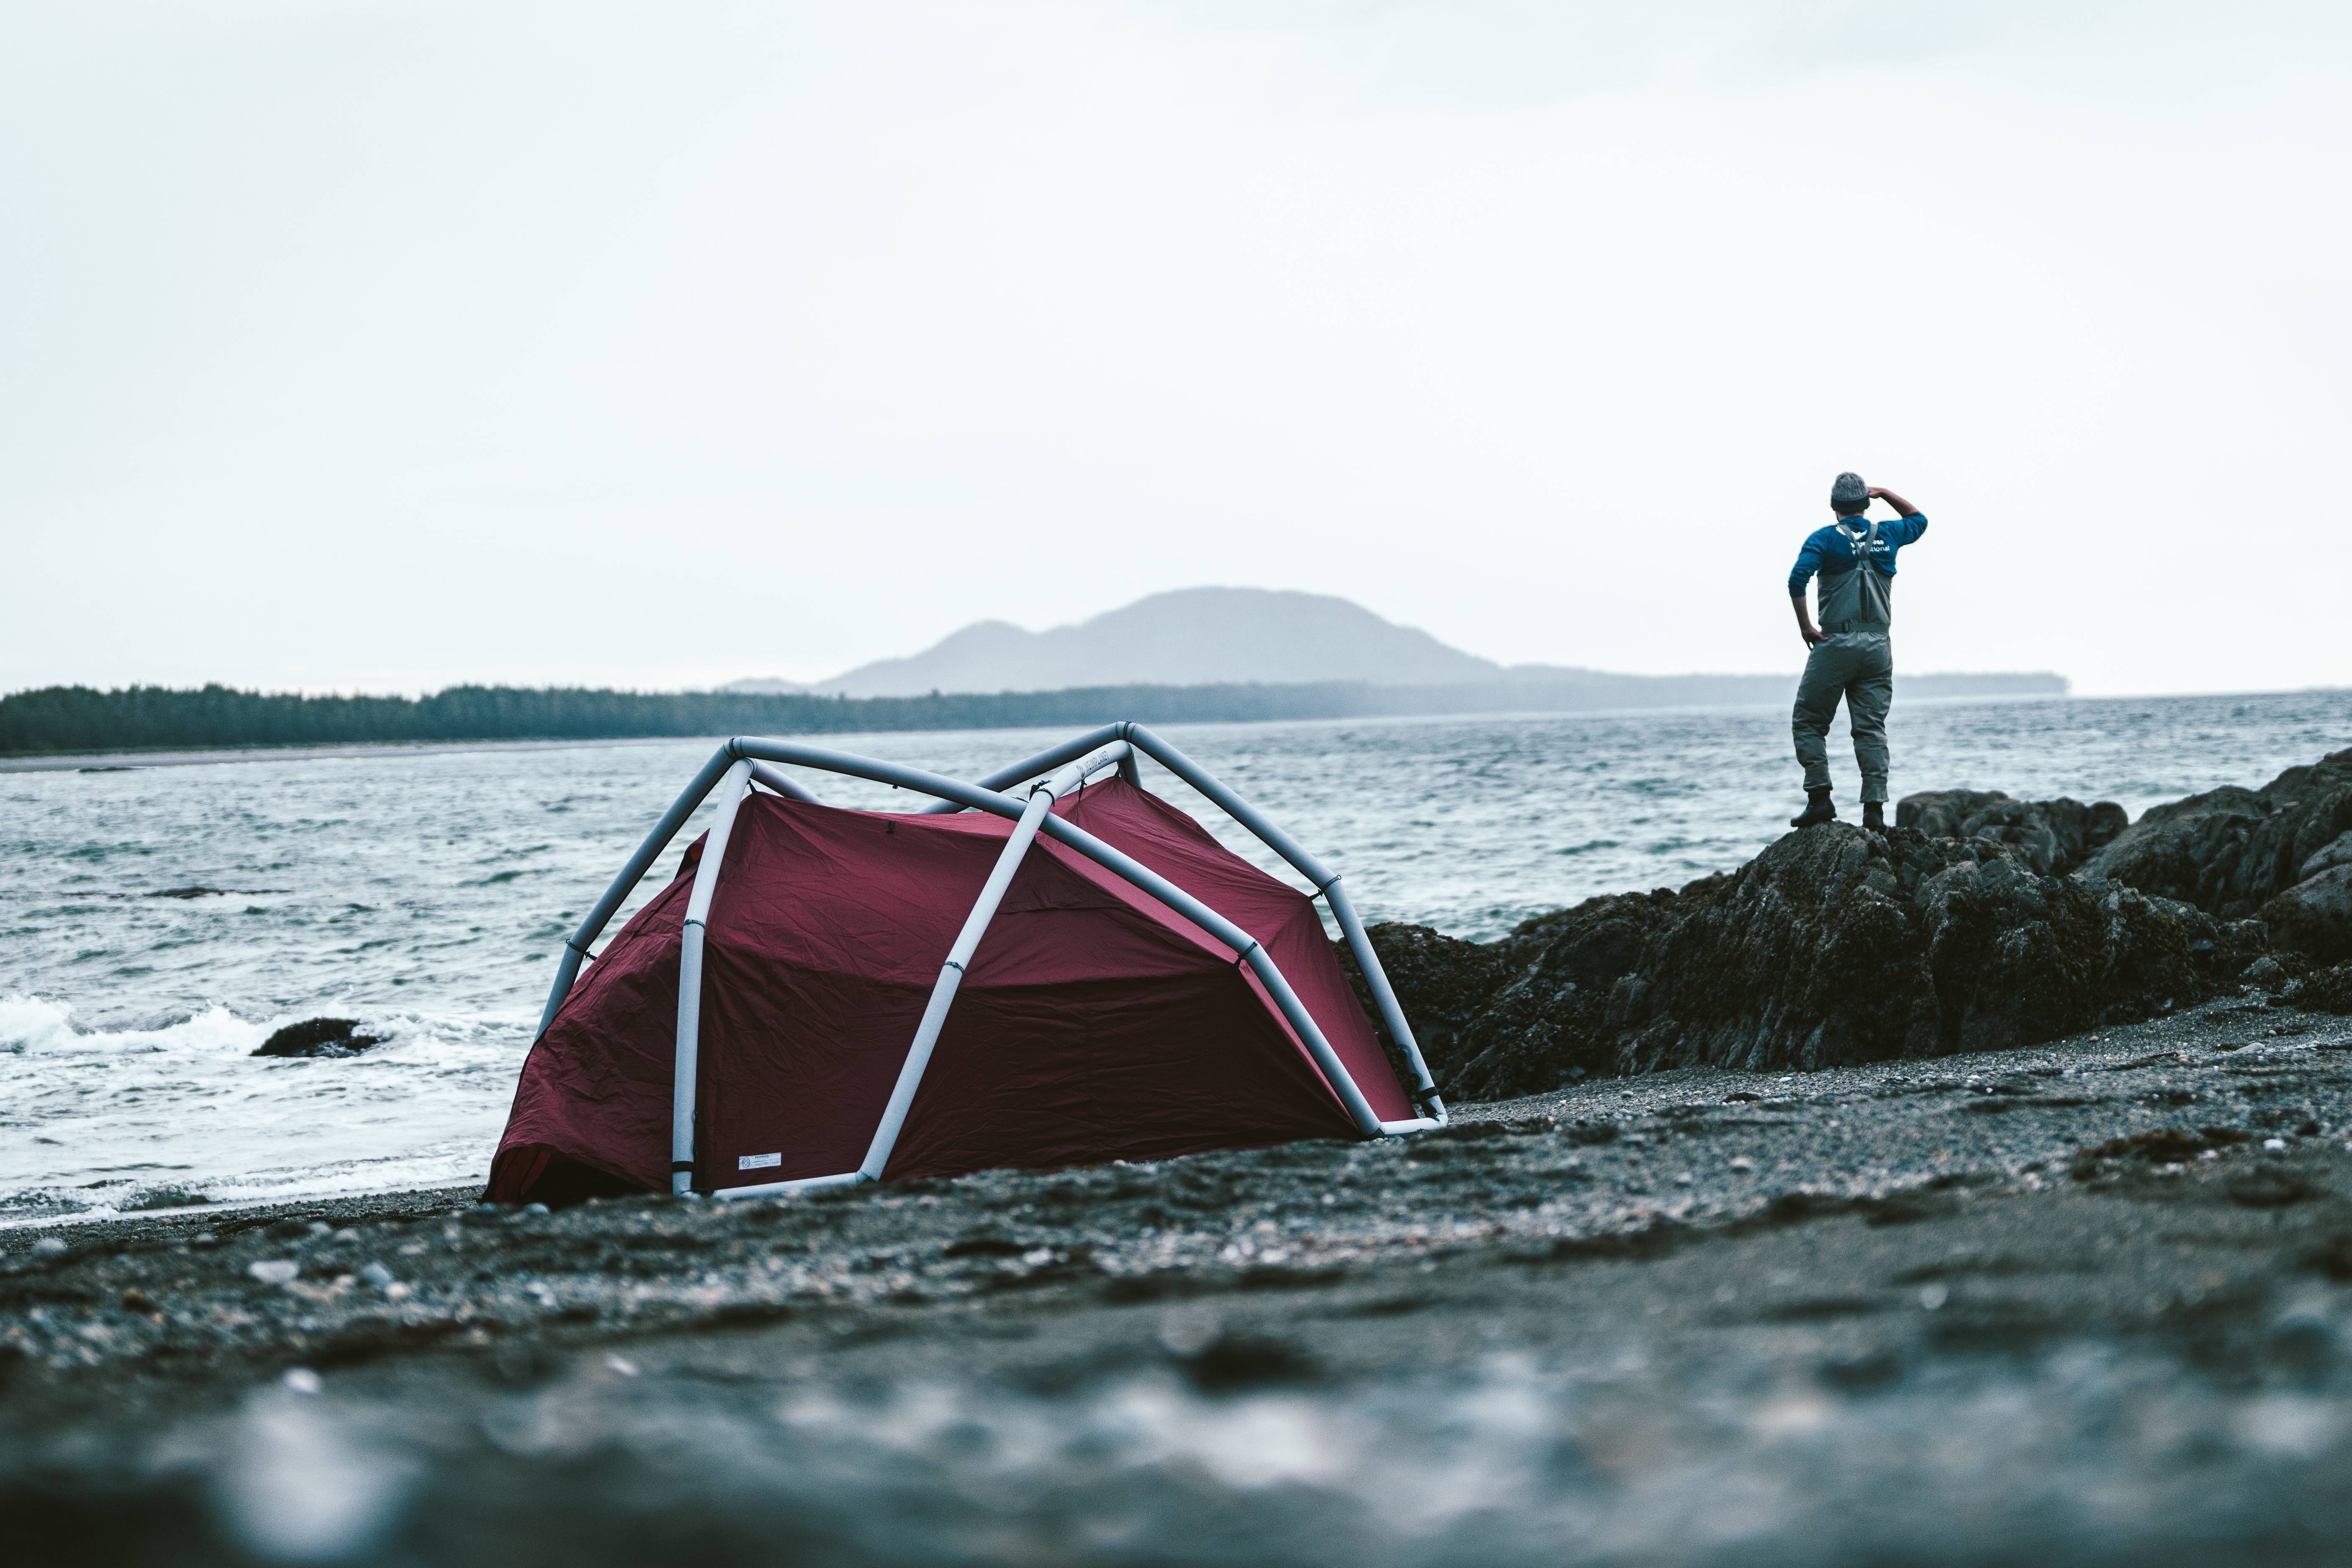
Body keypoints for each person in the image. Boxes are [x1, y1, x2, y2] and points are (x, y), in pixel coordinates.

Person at [1786, 472, 1928, 831]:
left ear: (1835, 508)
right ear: (1865, 504)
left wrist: (1806, 626)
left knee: (1809, 721)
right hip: (1879, 646)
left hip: (1835, 644)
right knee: (1871, 729)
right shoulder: (1890, 535)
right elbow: (1919, 520)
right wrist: (1886, 493)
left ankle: (1820, 799)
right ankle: (1874, 812)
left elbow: (1797, 580)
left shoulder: (1824, 539)